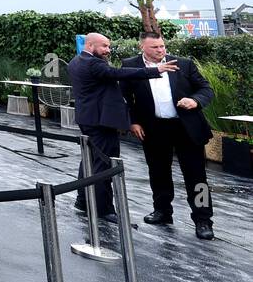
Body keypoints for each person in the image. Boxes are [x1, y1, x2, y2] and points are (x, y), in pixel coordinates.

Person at [68, 32, 175, 222]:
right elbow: (119, 73)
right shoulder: (94, 63)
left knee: (89, 160)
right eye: (104, 46)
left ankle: (83, 200)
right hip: (101, 121)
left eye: (109, 46)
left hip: (88, 118)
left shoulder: (76, 60)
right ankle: (104, 209)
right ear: (90, 45)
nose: (108, 50)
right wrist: (155, 70)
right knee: (104, 165)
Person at [122, 33, 216, 240]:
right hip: (154, 128)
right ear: (142, 47)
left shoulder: (183, 64)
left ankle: (203, 220)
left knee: (197, 177)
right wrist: (133, 121)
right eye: (154, 47)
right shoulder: (130, 65)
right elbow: (125, 97)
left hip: (186, 128)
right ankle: (163, 211)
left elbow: (206, 88)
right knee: (158, 173)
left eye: (162, 46)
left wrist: (195, 101)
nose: (160, 50)